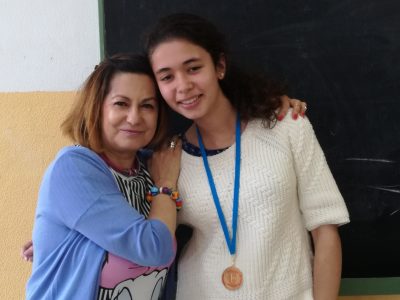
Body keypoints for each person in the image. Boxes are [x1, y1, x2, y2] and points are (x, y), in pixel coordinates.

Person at [145, 13, 350, 300]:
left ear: (219, 66)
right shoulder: (169, 158)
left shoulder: (285, 125)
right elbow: (154, 249)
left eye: (193, 68)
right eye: (167, 77)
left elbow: (325, 228)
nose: (182, 86)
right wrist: (164, 184)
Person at [26, 53, 183, 299]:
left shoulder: (149, 166)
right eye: (121, 103)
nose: (134, 118)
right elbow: (154, 247)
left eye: (147, 106)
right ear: (96, 107)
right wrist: (164, 187)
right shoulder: (74, 168)